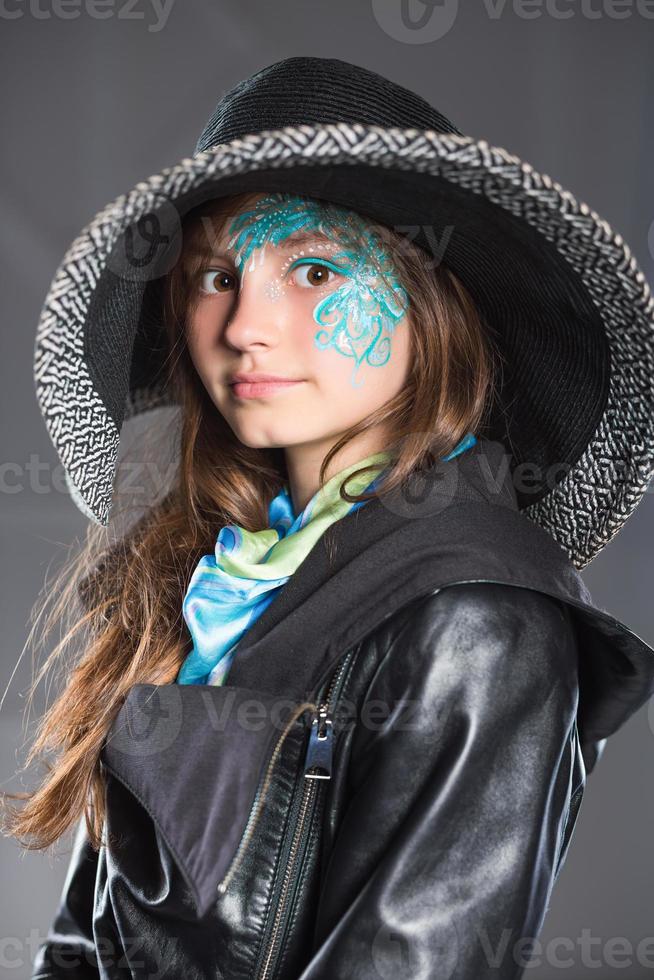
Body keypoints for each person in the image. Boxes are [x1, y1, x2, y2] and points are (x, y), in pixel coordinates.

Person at [4, 56, 654, 980]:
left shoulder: (480, 624)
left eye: (312, 269)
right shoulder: (207, 583)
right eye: (215, 276)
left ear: (434, 308)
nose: (244, 328)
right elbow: (80, 948)